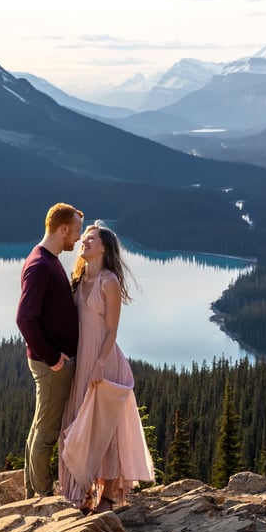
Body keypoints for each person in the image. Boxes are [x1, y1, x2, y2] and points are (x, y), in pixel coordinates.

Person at [59, 220, 154, 514]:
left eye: (91, 238)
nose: (84, 241)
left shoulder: (108, 281)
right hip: (82, 359)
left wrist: (100, 363)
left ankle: (108, 498)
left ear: (105, 248)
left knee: (107, 431)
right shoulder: (79, 278)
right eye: (84, 237)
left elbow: (112, 330)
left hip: (103, 361)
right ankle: (82, 491)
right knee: (79, 426)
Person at [16, 202, 84, 499]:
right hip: (51, 364)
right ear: (63, 228)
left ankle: (34, 491)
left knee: (39, 427)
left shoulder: (48, 258)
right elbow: (24, 318)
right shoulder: (41, 265)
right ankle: (42, 498)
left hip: (49, 361)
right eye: (77, 232)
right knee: (46, 433)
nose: (79, 239)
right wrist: (53, 358)